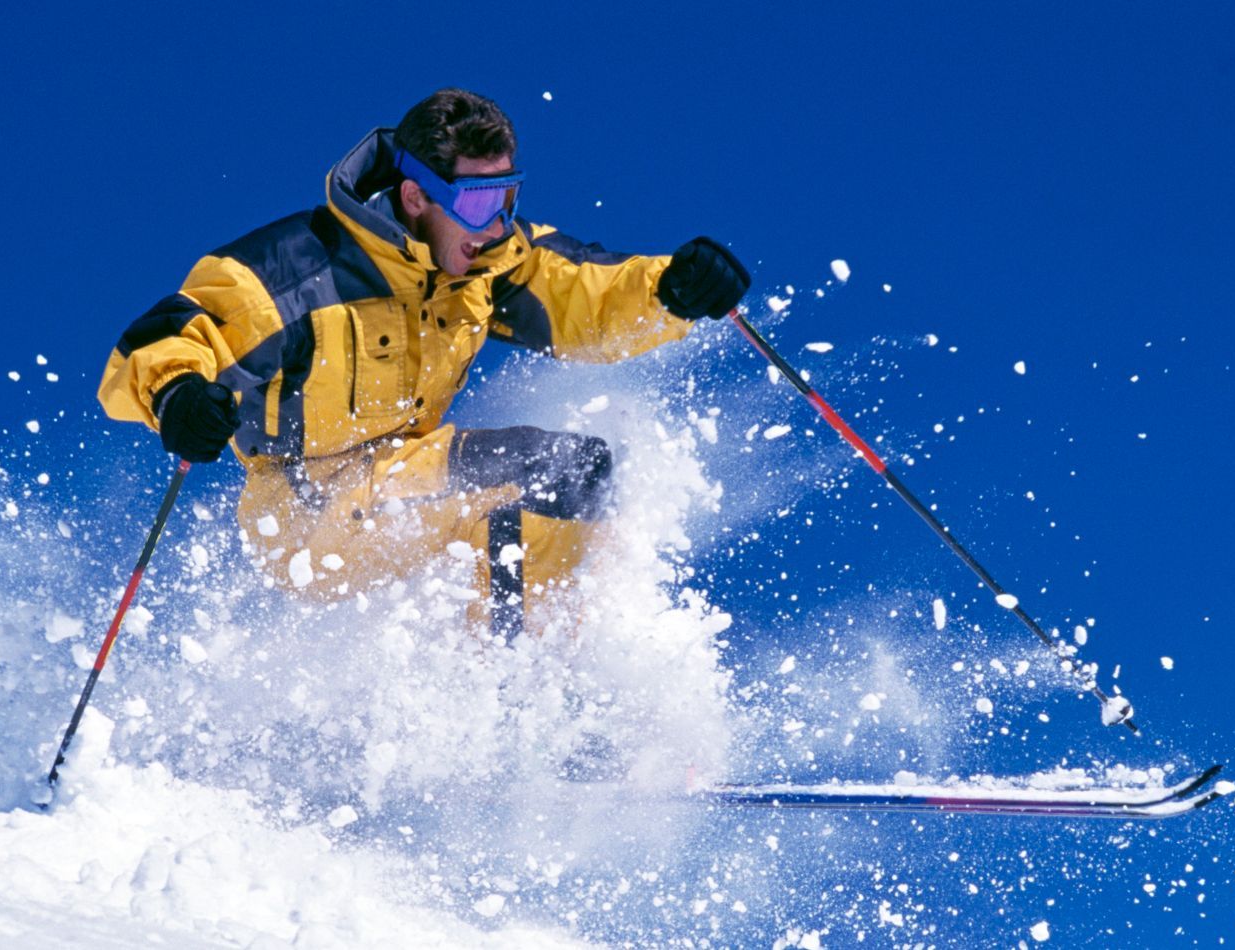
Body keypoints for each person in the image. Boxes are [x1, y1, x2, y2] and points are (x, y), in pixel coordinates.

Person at [99, 88, 749, 640]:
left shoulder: (481, 263)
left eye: (507, 198)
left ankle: (535, 686)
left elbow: (580, 292)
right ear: (415, 197)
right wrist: (178, 395)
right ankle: (515, 698)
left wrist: (671, 289)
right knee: (545, 470)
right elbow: (169, 337)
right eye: (477, 204)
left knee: (578, 474)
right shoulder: (303, 273)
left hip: (405, 476)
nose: (497, 226)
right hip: (305, 514)